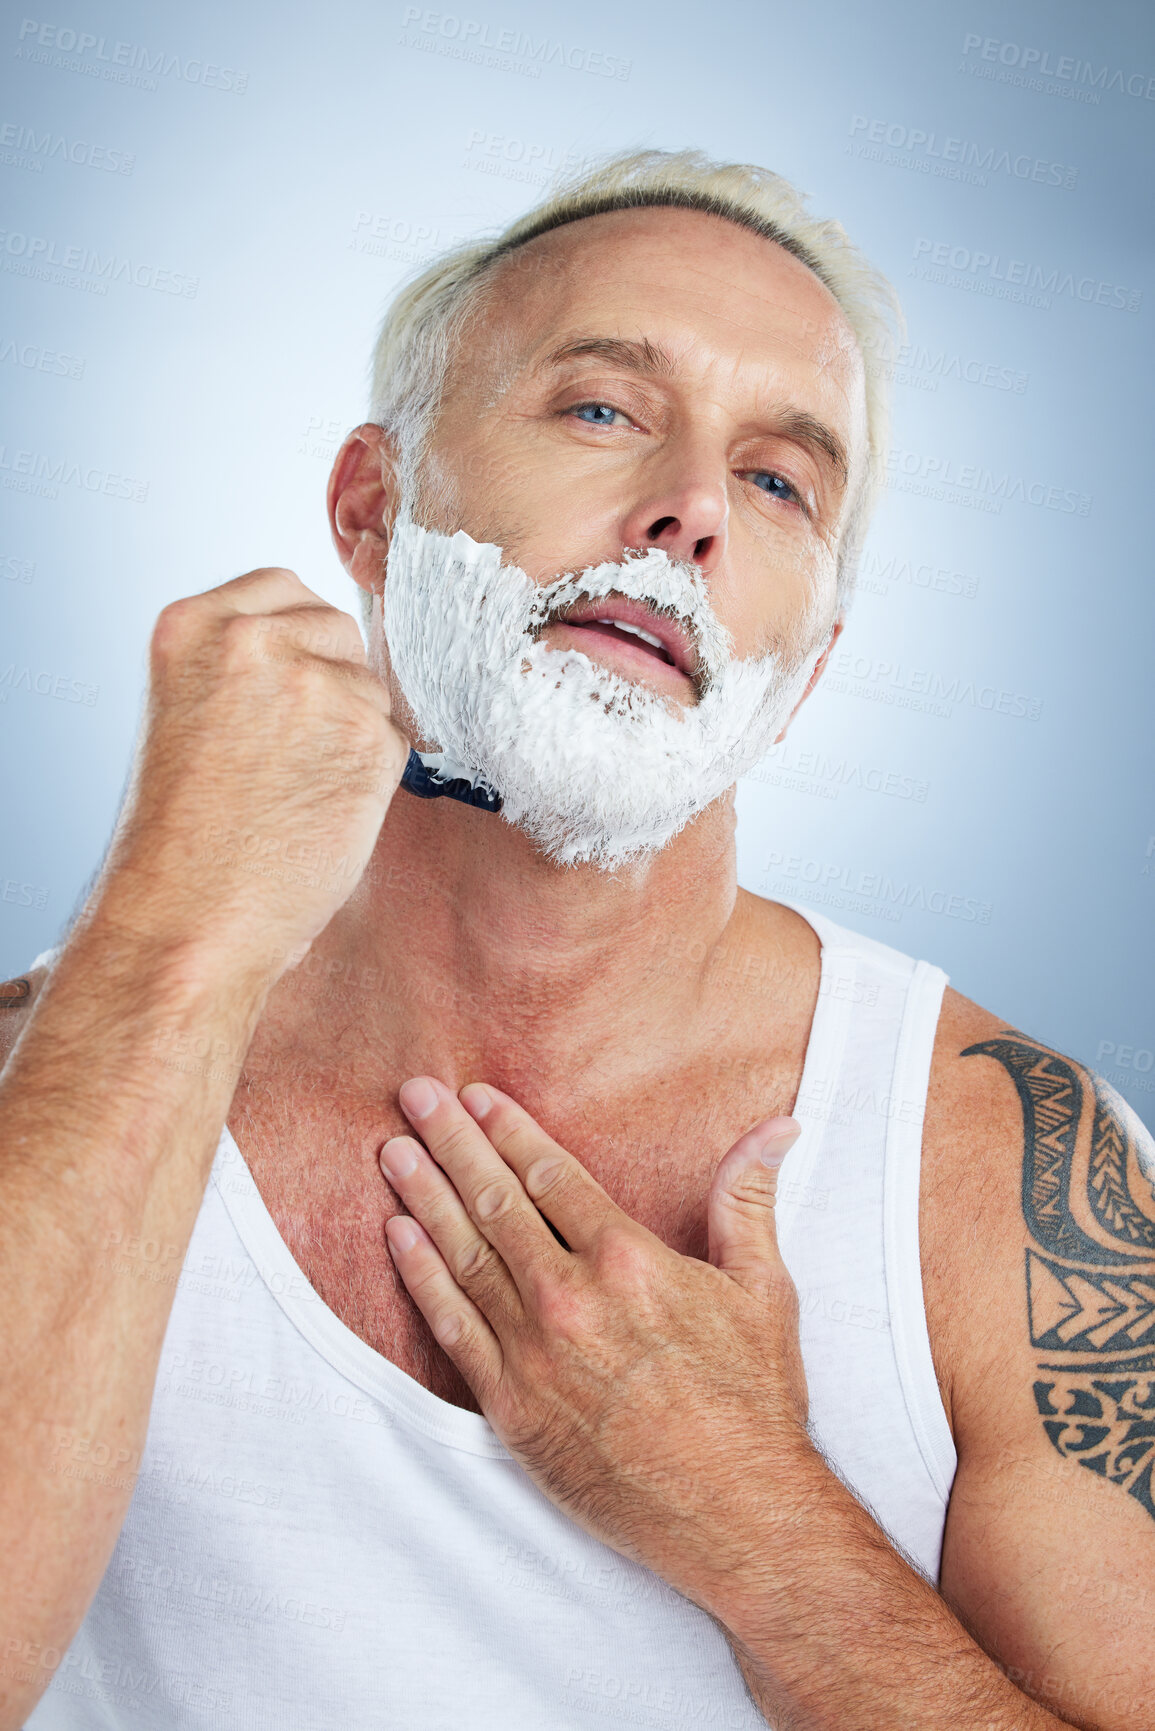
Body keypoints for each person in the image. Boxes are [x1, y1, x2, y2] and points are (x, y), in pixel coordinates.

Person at [1, 149, 1151, 1731]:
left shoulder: (999, 1173)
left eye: (778, 482)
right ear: (374, 506)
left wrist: (753, 1519)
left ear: (806, 666)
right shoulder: (42, 1084)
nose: (687, 512)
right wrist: (162, 949)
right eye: (604, 409)